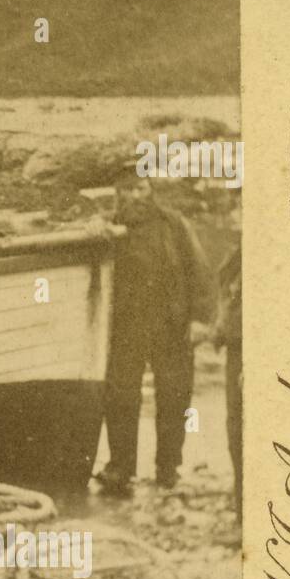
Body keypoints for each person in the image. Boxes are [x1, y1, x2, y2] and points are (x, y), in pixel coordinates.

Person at [95, 176, 214, 493]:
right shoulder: (108, 228)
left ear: (151, 191)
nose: (135, 195)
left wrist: (201, 319)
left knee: (174, 396)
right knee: (120, 397)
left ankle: (168, 470)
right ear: (118, 193)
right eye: (127, 189)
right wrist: (99, 231)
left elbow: (199, 271)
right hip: (126, 326)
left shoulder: (174, 225)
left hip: (171, 325)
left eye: (141, 188)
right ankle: (120, 468)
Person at [211, 217, 242, 520]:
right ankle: (242, 506)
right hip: (236, 349)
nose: (233, 212)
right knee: (235, 427)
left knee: (243, 427)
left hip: (247, 353)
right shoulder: (240, 253)